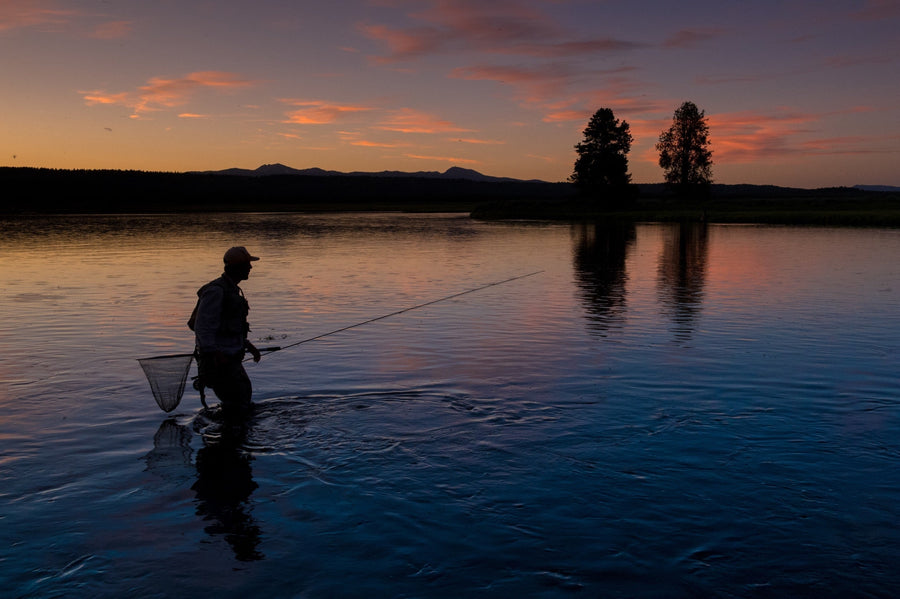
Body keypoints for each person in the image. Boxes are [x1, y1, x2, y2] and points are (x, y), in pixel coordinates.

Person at [192, 246, 262, 423]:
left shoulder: (232, 290)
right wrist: (215, 354)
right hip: (220, 361)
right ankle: (230, 442)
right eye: (247, 264)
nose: (250, 268)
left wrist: (248, 345)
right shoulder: (216, 291)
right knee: (237, 404)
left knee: (242, 401)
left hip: (231, 359)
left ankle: (233, 443)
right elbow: (202, 327)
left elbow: (228, 327)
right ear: (237, 267)